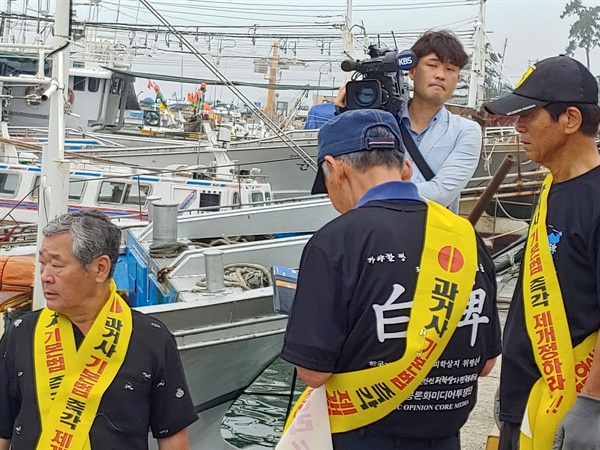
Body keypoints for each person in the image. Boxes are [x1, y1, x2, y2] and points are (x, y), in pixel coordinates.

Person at [281, 109, 501, 449]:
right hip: (444, 439)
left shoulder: (336, 241)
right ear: (406, 168)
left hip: (361, 437)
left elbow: (314, 372)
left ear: (336, 168)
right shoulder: (464, 236)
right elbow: (486, 365)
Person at [0, 210, 198, 450]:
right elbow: (3, 429)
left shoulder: (151, 338)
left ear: (100, 268)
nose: (45, 276)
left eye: (56, 265)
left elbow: (173, 439)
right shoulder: (21, 333)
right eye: (42, 263)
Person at [484, 55, 600, 450]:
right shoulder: (552, 187)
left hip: (570, 409)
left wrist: (591, 406)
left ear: (570, 119)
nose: (517, 126)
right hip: (527, 401)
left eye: (528, 115)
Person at [334, 30, 482, 213]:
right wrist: (343, 116)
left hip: (430, 237)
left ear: (457, 79)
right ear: (412, 71)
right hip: (374, 233)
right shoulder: (380, 124)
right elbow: (345, 174)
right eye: (432, 65)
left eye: (450, 69)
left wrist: (371, 193)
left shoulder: (466, 131)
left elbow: (442, 193)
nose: (440, 75)